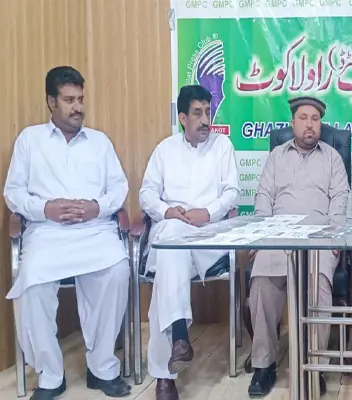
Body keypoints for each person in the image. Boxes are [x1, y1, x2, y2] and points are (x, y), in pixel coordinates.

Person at [3, 66, 131, 399]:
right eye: (69, 100)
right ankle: (50, 375)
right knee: (32, 280)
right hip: (47, 232)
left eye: (80, 99)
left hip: (95, 229)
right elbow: (13, 192)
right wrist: (44, 208)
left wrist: (95, 207)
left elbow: (119, 188)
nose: (78, 107)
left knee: (117, 270)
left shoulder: (100, 142)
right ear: (51, 102)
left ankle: (102, 367)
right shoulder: (30, 140)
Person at [139, 85, 240, 400]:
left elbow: (232, 193)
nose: (205, 119)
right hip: (172, 231)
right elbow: (146, 194)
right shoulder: (165, 150)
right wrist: (167, 211)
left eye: (208, 112)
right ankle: (177, 342)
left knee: (167, 263)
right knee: (171, 241)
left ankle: (166, 372)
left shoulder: (222, 146)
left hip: (209, 237)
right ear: (182, 118)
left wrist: (206, 213)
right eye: (197, 113)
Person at [247, 96, 349, 397]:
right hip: (278, 236)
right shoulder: (277, 156)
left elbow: (340, 200)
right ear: (293, 123)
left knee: (318, 285)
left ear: (321, 125)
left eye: (315, 119)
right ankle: (264, 364)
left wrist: (334, 235)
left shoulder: (332, 158)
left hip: (319, 236)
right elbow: (263, 198)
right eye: (303, 118)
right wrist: (262, 235)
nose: (309, 125)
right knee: (261, 282)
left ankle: (315, 364)